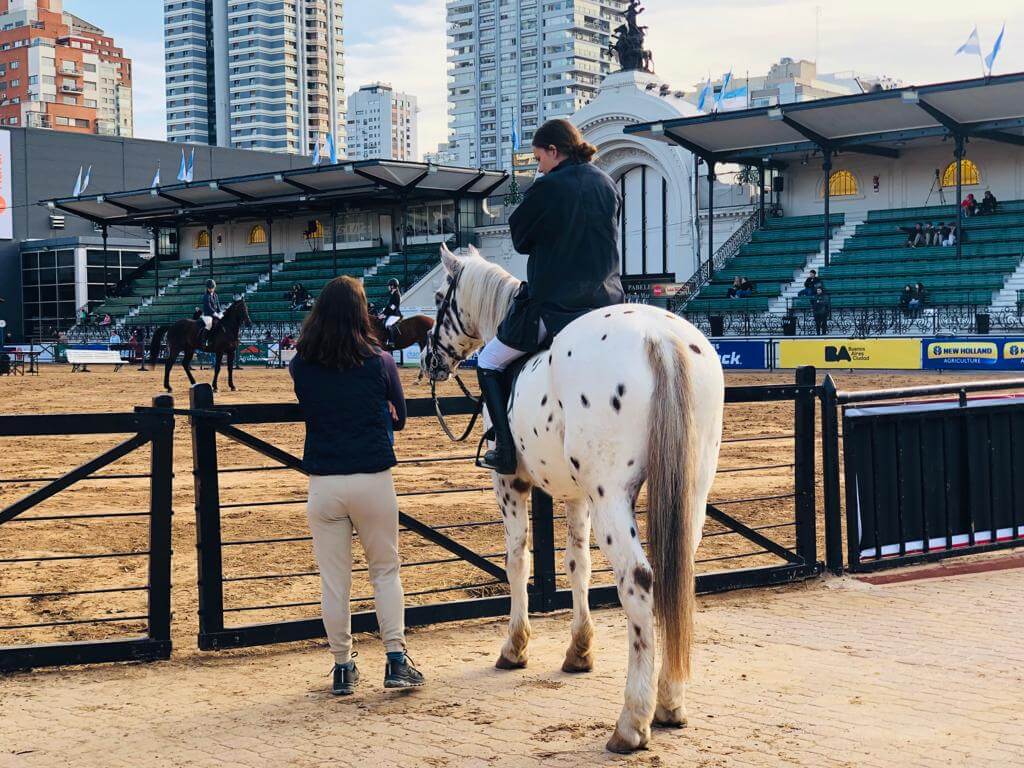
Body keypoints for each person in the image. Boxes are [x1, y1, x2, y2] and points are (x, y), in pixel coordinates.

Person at [290, 275, 424, 696]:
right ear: (360, 313)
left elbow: (312, 403)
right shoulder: (380, 361)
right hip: (372, 478)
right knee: (385, 572)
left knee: (335, 582)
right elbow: (400, 418)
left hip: (324, 483)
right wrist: (382, 413)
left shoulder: (301, 364)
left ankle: (343, 667)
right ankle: (396, 659)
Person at [475, 118, 624, 474]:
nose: (538, 165)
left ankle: (506, 449)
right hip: (608, 303)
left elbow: (520, 241)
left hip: (558, 305)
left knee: (489, 361)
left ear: (554, 151)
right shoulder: (607, 183)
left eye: (539, 157)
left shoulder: (547, 188)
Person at [378, 279, 403, 347]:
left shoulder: (396, 295)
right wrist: (382, 313)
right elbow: (388, 307)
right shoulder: (392, 294)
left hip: (395, 315)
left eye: (389, 286)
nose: (388, 287)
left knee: (387, 324)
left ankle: (392, 342)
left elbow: (393, 307)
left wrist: (385, 314)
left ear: (392, 286)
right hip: (391, 314)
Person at [199, 279, 222, 347]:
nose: (211, 289)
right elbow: (208, 307)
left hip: (215, 314)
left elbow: (218, 306)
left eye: (212, 288)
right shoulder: (206, 296)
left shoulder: (215, 295)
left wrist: (220, 313)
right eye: (210, 288)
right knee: (209, 325)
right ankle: (204, 340)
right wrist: (215, 313)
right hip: (208, 315)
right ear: (207, 288)